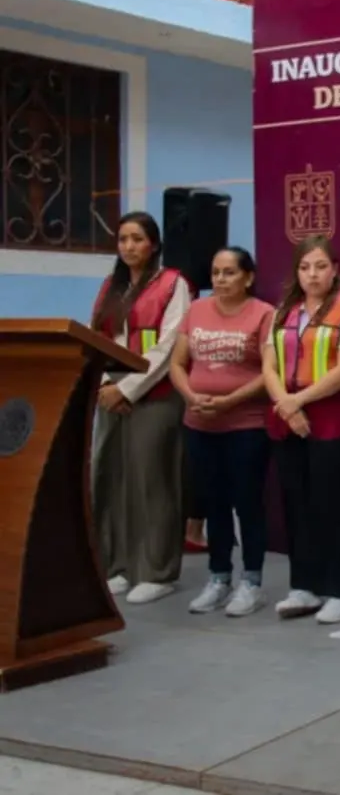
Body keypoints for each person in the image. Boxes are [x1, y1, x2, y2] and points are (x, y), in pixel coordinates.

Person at [91, 211, 195, 604]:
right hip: (109, 393)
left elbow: (169, 346)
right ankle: (117, 566)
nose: (129, 246)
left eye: (137, 239)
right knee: (111, 478)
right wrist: (104, 384)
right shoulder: (110, 287)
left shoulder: (173, 285)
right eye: (123, 239)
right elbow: (97, 337)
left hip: (154, 394)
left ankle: (156, 570)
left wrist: (129, 389)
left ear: (153, 244)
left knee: (152, 480)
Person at [263, 235, 340, 625]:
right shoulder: (282, 311)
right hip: (287, 418)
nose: (312, 274)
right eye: (305, 267)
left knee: (334, 501)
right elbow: (269, 366)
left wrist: (299, 401)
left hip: (331, 416)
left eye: (320, 266)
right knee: (296, 501)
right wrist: (286, 405)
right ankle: (304, 586)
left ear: (334, 269)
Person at [171, 247, 276, 617]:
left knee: (246, 502)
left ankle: (251, 582)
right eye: (215, 272)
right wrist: (189, 395)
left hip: (245, 425)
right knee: (212, 501)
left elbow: (269, 373)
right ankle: (218, 577)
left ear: (248, 277)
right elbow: (178, 363)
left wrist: (229, 400)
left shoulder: (263, 314)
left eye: (229, 273)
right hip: (199, 423)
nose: (220, 280)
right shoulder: (197, 310)